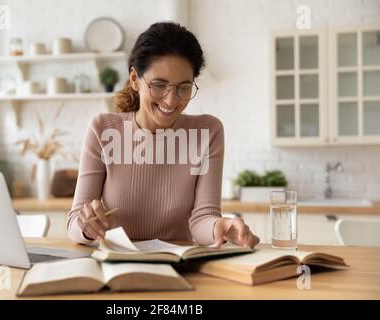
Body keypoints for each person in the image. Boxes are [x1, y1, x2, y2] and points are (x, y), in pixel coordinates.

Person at [67, 22, 259, 249]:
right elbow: (74, 225)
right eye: (159, 85)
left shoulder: (208, 132)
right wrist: (86, 227)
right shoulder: (103, 129)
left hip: (178, 266)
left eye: (184, 87)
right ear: (134, 79)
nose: (171, 100)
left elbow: (202, 219)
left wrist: (220, 227)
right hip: (117, 265)